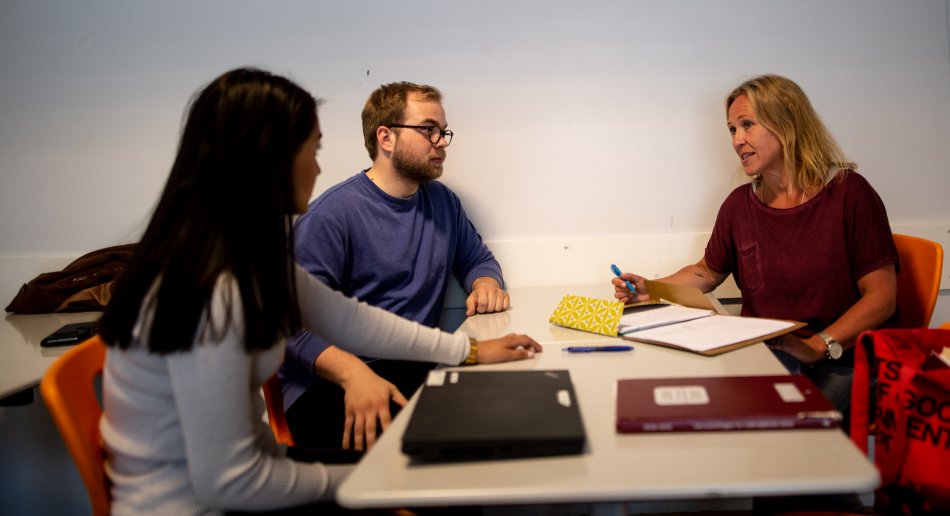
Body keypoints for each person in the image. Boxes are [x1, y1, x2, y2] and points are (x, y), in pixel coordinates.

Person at [95, 68, 541, 515]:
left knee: (445, 473)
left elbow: (351, 320)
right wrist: (379, 478)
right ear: (267, 160)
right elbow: (231, 485)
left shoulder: (251, 261)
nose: (319, 165)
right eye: (313, 148)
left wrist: (468, 352)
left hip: (250, 479)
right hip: (201, 506)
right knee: (437, 481)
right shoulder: (207, 293)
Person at [612, 74, 897, 512]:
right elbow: (708, 271)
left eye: (747, 125)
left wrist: (819, 345)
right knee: (765, 431)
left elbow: (882, 297)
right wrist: (650, 288)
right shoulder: (740, 205)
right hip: (771, 352)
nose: (736, 140)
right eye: (731, 130)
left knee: (786, 434)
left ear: (786, 123)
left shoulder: (849, 195)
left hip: (844, 356)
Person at [279, 82, 509, 451]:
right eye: (428, 129)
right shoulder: (331, 216)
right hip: (328, 385)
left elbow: (478, 259)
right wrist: (354, 373)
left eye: (443, 131)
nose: (441, 142)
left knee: (494, 416)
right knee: (449, 449)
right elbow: (295, 330)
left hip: (411, 364)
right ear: (385, 137)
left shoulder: (443, 203)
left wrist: (485, 282)